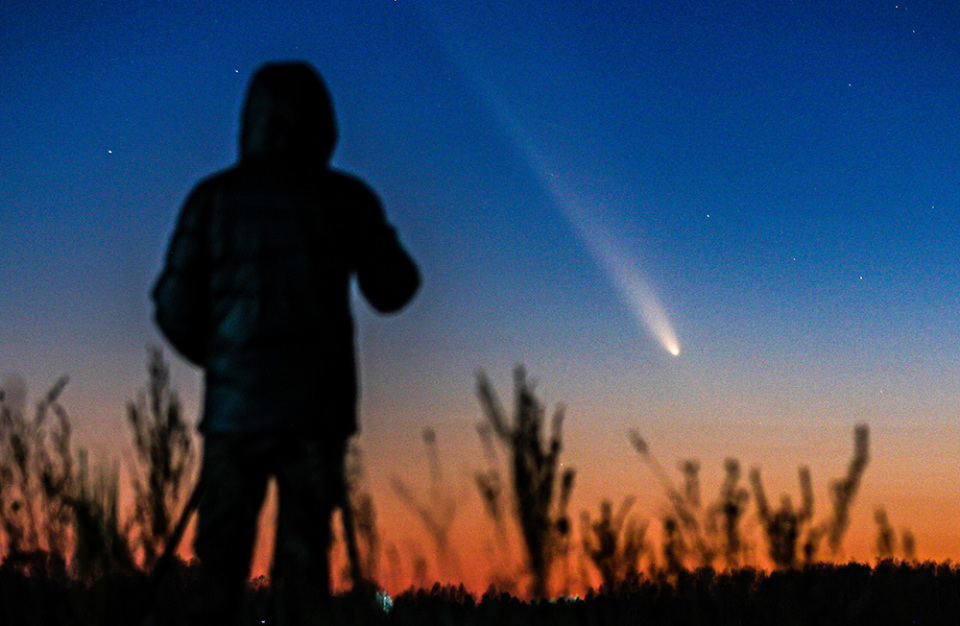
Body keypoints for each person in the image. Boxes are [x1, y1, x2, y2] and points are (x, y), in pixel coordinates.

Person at [152, 61, 420, 626]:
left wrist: (228, 365)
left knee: (218, 565)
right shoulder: (343, 199)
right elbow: (394, 288)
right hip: (314, 414)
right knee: (304, 568)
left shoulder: (211, 200)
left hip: (234, 415)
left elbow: (173, 307)